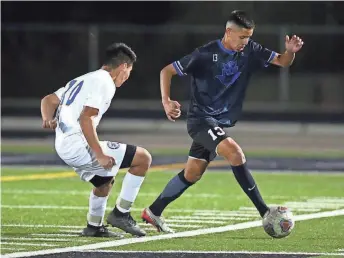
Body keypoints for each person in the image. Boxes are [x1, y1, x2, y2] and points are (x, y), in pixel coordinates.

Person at [141, 10, 304, 233]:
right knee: (235, 153)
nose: (245, 42)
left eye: (249, 37)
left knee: (192, 173)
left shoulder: (251, 49)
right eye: (242, 37)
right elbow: (167, 71)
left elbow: (283, 62)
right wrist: (166, 101)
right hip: (200, 121)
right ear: (228, 32)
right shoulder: (205, 54)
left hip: (217, 123)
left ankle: (153, 211)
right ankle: (265, 211)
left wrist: (290, 52)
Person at [41, 42, 151, 237]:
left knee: (104, 181)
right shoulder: (104, 81)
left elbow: (48, 100)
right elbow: (87, 118)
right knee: (143, 158)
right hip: (77, 144)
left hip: (63, 144)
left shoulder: (83, 79)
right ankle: (122, 214)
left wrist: (47, 119)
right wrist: (99, 154)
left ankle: (93, 226)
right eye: (129, 72)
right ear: (124, 66)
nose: (127, 78)